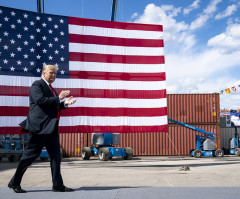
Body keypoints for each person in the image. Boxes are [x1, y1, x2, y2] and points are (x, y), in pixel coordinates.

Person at [8, 65, 77, 193]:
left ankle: (57, 185)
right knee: (30, 156)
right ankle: (14, 182)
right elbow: (40, 101)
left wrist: (64, 104)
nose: (53, 76)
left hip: (51, 128)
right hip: (39, 127)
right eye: (51, 73)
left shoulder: (52, 89)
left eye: (55, 74)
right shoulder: (37, 85)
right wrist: (59, 98)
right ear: (43, 73)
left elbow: (52, 105)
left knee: (56, 156)